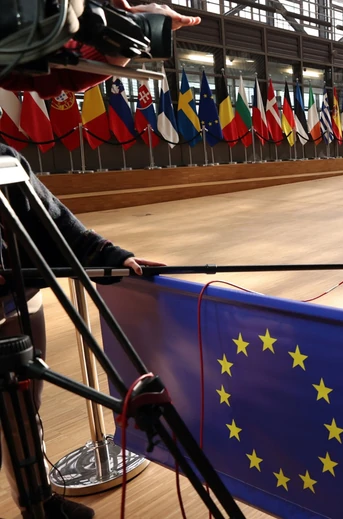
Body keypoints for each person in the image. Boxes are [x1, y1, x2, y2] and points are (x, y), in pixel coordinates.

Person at [0, 3, 198, 517]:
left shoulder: (4, 160)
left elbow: (45, 214)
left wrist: (109, 256)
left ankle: (38, 502)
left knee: (23, 407)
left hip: (15, 295)